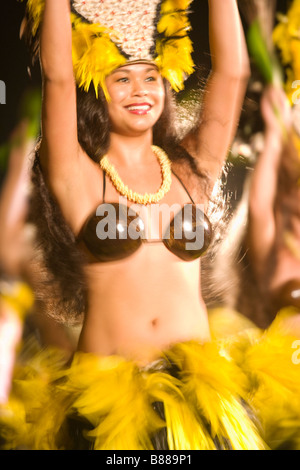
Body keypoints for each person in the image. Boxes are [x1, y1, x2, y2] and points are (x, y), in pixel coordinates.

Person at [1, 0, 299, 451]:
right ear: (98, 90)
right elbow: (59, 77)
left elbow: (232, 73)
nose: (140, 91)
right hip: (110, 403)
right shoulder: (80, 178)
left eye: (151, 78)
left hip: (199, 394)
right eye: (122, 79)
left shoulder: (190, 170)